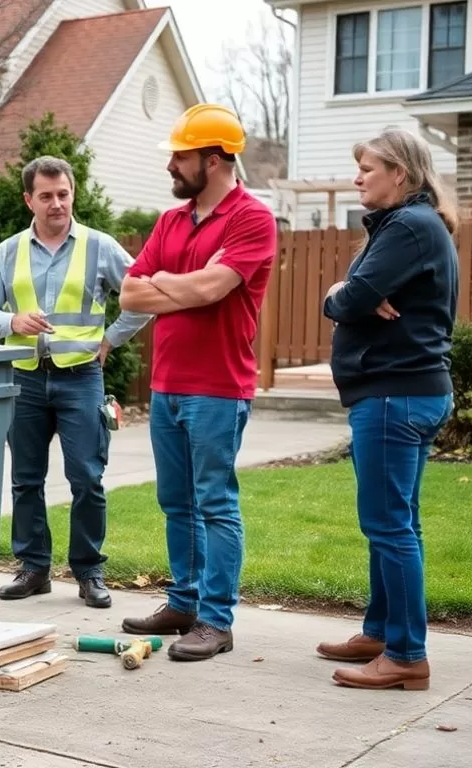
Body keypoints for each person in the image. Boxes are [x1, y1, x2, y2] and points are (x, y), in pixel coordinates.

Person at [116, 104, 278, 661]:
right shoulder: (169, 222)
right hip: (167, 386)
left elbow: (214, 289)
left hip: (218, 387)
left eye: (180, 156)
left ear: (213, 159)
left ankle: (216, 620)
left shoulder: (251, 219)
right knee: (176, 502)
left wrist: (166, 281)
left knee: (214, 503)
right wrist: (174, 285)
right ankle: (182, 603)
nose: (170, 166)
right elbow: (130, 294)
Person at [0, 155, 152, 609]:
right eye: (46, 196)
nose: (56, 204)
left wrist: (111, 339)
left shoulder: (99, 246)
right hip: (26, 379)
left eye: (63, 194)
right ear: (28, 199)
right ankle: (34, 569)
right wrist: (11, 318)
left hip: (80, 379)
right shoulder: (8, 251)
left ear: (73, 194)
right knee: (26, 480)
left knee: (87, 478)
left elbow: (143, 297)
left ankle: (89, 572)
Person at [315, 129, 458, 692]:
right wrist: (351, 291)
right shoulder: (414, 227)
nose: (358, 178)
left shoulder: (407, 227)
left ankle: (405, 654)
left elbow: (347, 302)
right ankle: (382, 630)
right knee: (397, 523)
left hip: (394, 395)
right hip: (407, 392)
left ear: (400, 173)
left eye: (368, 169)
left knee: (389, 525)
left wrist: (341, 290)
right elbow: (356, 297)